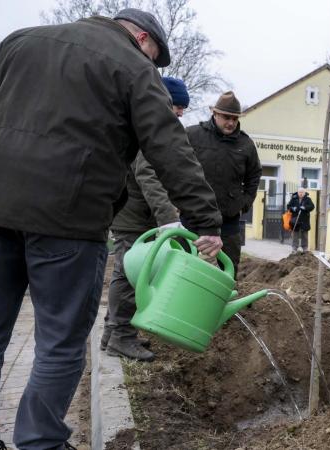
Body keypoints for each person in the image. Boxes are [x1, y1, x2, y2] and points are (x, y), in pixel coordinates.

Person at [0, 9, 224, 449]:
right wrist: (204, 221)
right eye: (154, 55)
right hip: (69, 219)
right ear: (141, 37)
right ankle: (40, 441)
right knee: (59, 340)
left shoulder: (19, 41)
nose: (153, 64)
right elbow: (169, 147)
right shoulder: (135, 68)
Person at [100, 76, 191, 362]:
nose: (180, 113)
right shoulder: (148, 130)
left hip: (132, 212)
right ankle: (121, 337)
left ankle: (111, 332)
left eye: (183, 109)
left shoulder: (146, 124)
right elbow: (149, 176)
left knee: (124, 273)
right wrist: (168, 219)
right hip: (134, 215)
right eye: (177, 106)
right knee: (131, 276)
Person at [186, 91, 262, 277]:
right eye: (227, 117)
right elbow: (175, 167)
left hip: (228, 219)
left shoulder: (245, 144)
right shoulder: (192, 135)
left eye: (235, 119)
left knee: (229, 270)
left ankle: (225, 303)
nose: (231, 123)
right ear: (215, 114)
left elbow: (254, 175)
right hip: (192, 216)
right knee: (183, 263)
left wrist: (244, 202)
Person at [286, 187, 315, 252]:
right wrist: (293, 208)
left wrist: (305, 208)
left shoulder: (307, 199)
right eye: (300, 192)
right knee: (295, 234)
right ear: (298, 192)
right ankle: (294, 248)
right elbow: (288, 206)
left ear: (304, 193)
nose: (301, 194)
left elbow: (312, 206)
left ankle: (305, 248)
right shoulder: (294, 199)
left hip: (304, 220)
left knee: (304, 235)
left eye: (302, 192)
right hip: (295, 219)